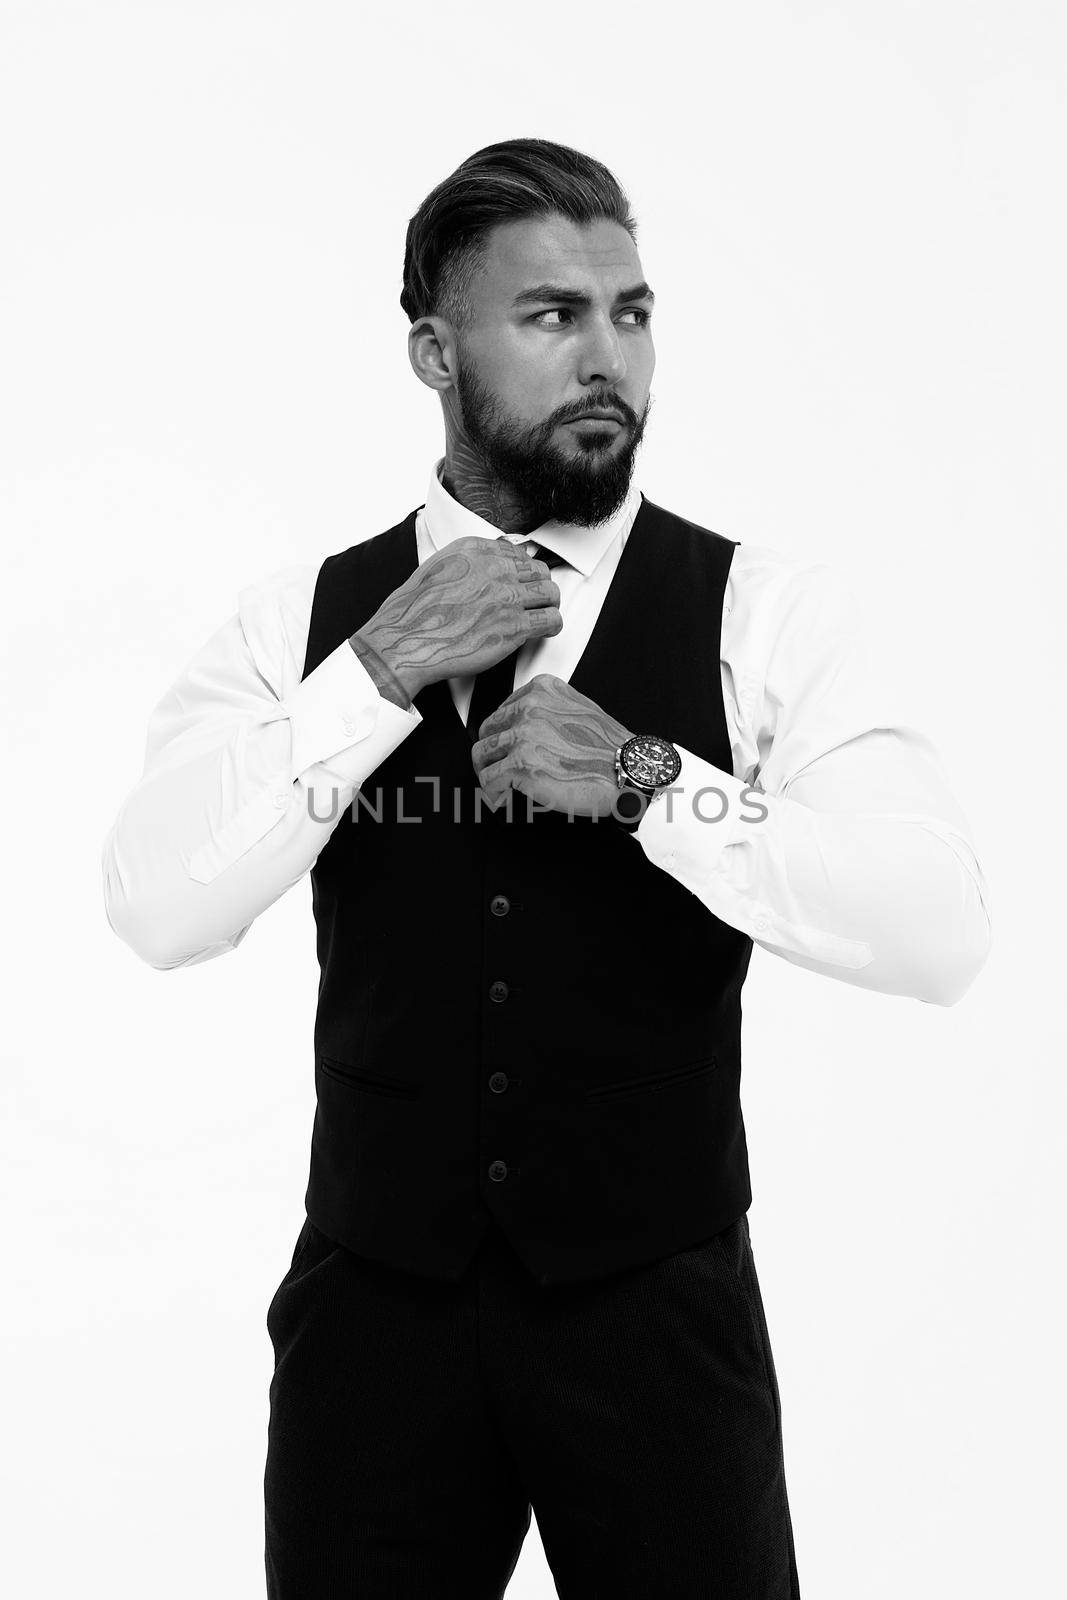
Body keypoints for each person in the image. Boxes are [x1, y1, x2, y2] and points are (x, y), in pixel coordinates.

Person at [102, 137, 992, 1598]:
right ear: (432, 350)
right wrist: (376, 672)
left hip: (657, 1310)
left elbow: (940, 926)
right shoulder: (302, 624)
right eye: (551, 316)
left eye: (631, 314)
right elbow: (154, 903)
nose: (607, 358)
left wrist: (653, 782)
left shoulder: (759, 613)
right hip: (374, 1315)